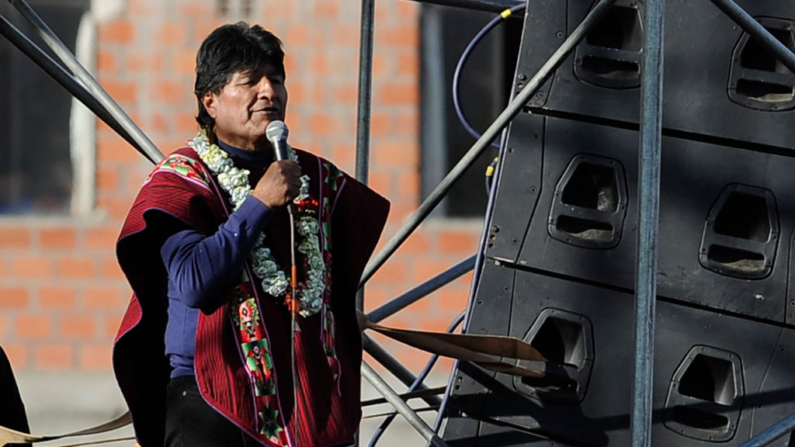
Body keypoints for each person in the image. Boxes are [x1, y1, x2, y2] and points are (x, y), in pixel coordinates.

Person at [112, 22, 390, 447]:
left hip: (304, 398)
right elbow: (194, 283)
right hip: (212, 397)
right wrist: (259, 204)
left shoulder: (313, 178)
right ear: (210, 101)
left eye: (276, 80)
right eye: (250, 82)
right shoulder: (181, 181)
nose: (269, 92)